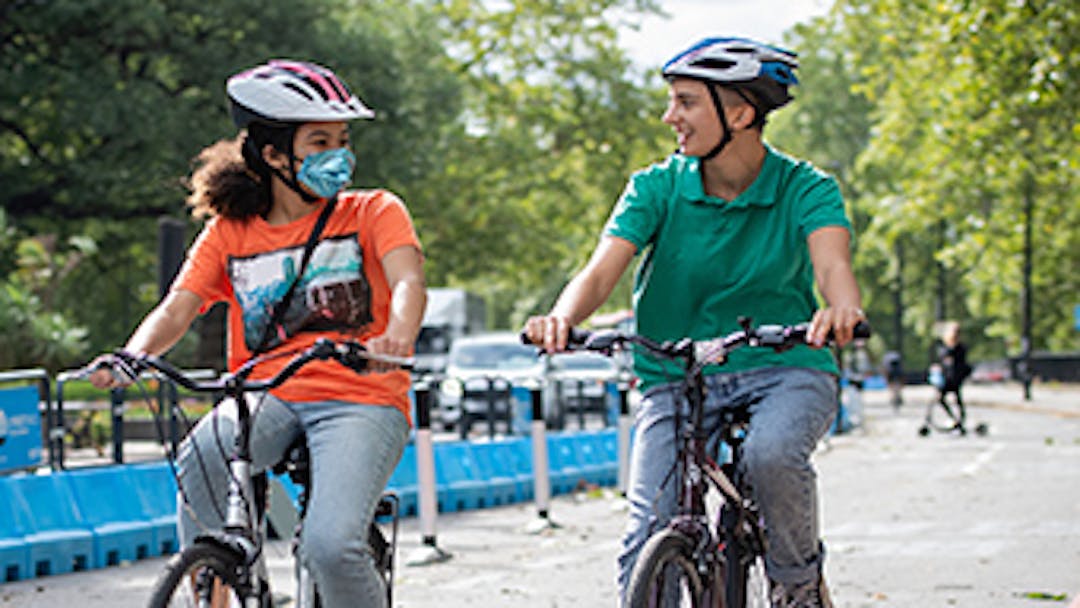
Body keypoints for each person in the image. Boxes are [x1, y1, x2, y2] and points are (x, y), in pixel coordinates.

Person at [523, 37, 864, 608]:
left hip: (786, 366)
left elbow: (833, 267)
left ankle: (796, 582)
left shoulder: (806, 187)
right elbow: (603, 269)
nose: (669, 117)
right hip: (675, 373)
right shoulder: (656, 187)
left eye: (685, 102)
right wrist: (561, 318)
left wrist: (842, 309)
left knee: (771, 454)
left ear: (740, 113)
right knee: (649, 527)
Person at [88, 59, 426, 607]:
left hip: (360, 395)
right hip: (263, 394)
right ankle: (216, 590)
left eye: (342, 139)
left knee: (330, 547)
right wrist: (132, 355)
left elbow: (407, 281)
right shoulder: (228, 233)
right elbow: (178, 307)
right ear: (273, 154)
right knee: (199, 455)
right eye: (320, 142)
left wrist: (395, 337)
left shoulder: (374, 211)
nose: (339, 153)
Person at [935, 320, 971, 432]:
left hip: (953, 377)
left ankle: (958, 420)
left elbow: (954, 360)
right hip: (950, 377)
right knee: (955, 399)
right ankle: (957, 419)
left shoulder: (958, 348)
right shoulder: (948, 346)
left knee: (946, 398)